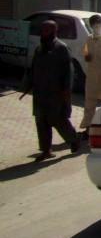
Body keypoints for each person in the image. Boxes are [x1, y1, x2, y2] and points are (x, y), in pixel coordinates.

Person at [21, 20, 80, 161]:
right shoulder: (39, 49)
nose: (44, 32)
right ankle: (46, 150)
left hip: (56, 93)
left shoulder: (61, 48)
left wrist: (66, 90)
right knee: (41, 121)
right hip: (40, 93)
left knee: (58, 119)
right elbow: (32, 69)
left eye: (47, 30)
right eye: (43, 30)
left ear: (54, 31)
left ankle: (73, 140)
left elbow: (69, 72)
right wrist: (26, 86)